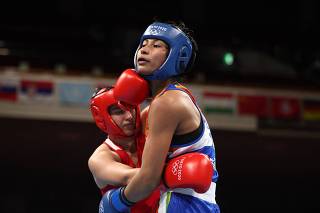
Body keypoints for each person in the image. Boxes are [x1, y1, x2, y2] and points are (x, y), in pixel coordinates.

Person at [101, 20, 220, 213]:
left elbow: (148, 179)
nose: (145, 50)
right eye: (143, 44)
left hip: (182, 204)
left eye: (156, 45)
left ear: (176, 56)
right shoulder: (171, 98)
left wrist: (116, 201)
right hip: (197, 205)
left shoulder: (167, 103)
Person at [88, 87, 160, 213]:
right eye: (119, 111)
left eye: (131, 107)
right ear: (102, 118)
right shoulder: (100, 159)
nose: (129, 116)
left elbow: (175, 104)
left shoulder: (147, 123)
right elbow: (137, 178)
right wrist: (178, 170)